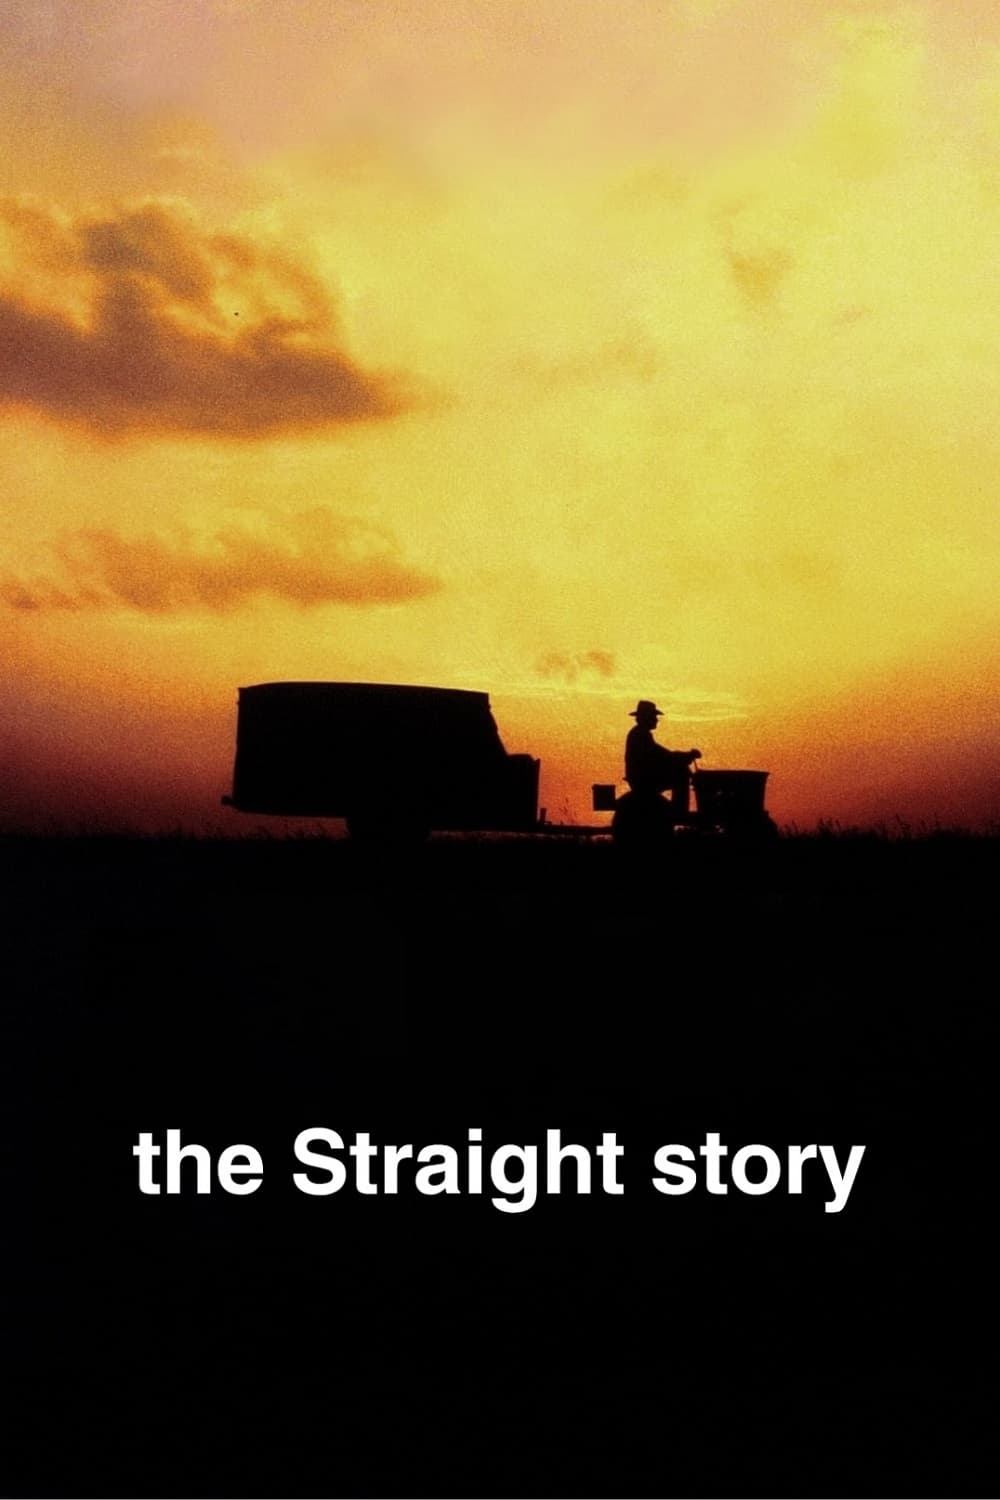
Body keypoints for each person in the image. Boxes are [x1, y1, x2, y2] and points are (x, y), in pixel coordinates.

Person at [624, 700, 701, 815]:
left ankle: (678, 810)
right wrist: (684, 757)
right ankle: (679, 811)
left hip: (643, 776)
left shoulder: (640, 734)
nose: (656, 720)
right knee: (682, 773)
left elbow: (662, 754)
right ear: (646, 717)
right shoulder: (640, 735)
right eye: (654, 716)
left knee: (680, 769)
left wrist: (681, 756)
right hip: (643, 778)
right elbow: (662, 755)